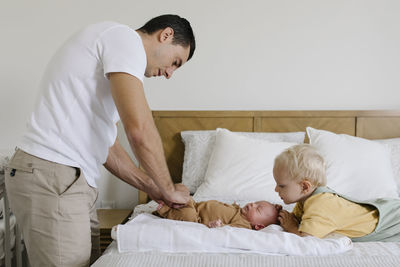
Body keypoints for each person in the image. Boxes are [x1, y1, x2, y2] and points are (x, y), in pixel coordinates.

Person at [5, 14, 195, 266]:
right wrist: (168, 188)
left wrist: (153, 187)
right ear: (166, 35)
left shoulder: (113, 58)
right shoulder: (124, 39)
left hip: (70, 180)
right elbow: (139, 130)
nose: (170, 73)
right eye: (176, 62)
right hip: (52, 174)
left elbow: (107, 147)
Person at [273, 144, 400, 242]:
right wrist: (275, 215)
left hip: (392, 219)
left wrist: (291, 228)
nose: (276, 189)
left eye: (281, 185)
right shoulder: (305, 199)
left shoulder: (320, 204)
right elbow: (295, 219)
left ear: (305, 186)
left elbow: (307, 240)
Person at [156, 197, 281, 230]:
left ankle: (166, 211)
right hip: (196, 205)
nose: (252, 204)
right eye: (255, 202)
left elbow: (230, 231)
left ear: (258, 226)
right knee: (184, 195)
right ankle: (168, 198)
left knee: (186, 215)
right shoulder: (238, 211)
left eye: (258, 209)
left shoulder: (244, 224)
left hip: (196, 218)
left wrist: (219, 226)